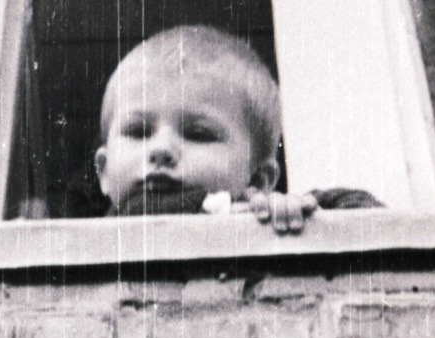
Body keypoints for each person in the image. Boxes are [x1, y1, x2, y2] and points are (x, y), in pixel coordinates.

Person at [94, 25, 380, 230]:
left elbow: (371, 217)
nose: (160, 149)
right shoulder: (99, 237)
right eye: (138, 132)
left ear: (257, 178)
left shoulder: (257, 220)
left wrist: (303, 211)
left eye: (198, 134)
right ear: (103, 170)